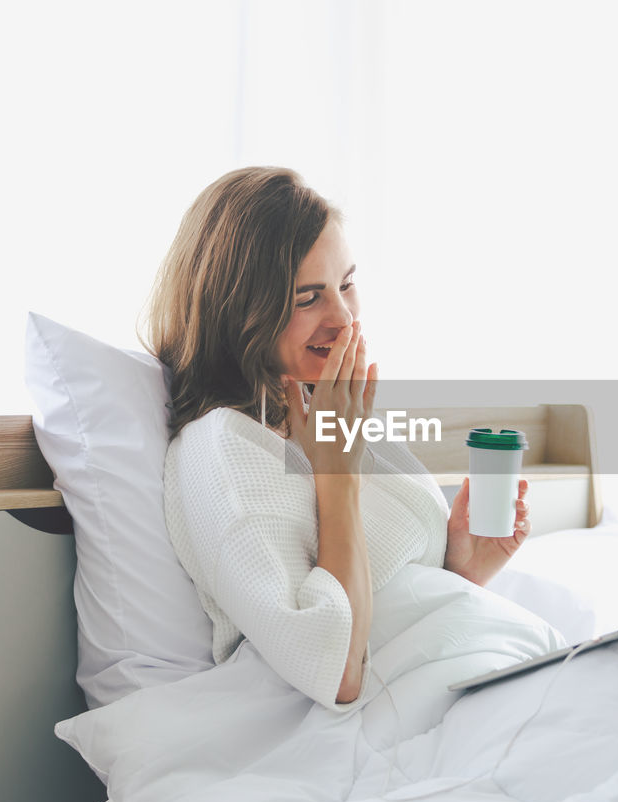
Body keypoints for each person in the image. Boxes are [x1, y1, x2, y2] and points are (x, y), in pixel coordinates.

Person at [146, 166, 537, 711]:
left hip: (464, 682)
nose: (343, 318)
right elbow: (335, 671)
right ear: (240, 314)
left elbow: (385, 601)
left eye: (347, 284)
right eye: (308, 298)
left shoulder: (325, 414)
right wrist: (337, 473)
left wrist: (464, 570)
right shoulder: (221, 449)